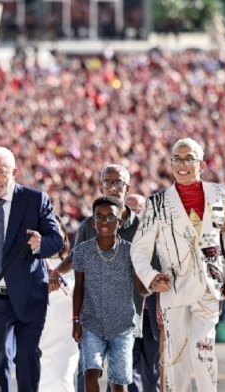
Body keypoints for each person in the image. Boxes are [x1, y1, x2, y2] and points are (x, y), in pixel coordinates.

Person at [130, 138, 225, 392]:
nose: (182, 164)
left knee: (204, 351)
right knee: (176, 359)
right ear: (171, 164)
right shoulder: (156, 203)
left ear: (201, 164)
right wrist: (150, 277)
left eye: (189, 158)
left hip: (210, 286)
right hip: (173, 287)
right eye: (177, 159)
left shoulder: (221, 194)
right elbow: (139, 249)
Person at [53, 165, 159, 392]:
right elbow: (75, 257)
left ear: (127, 187)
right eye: (107, 182)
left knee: (121, 377)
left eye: (118, 183)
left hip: (128, 316)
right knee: (89, 371)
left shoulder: (143, 228)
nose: (112, 187)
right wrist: (56, 272)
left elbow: (153, 267)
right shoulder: (88, 225)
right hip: (91, 316)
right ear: (100, 186)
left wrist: (157, 294)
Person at [0, 146, 62, 392]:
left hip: (30, 295)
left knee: (27, 360)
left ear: (14, 172)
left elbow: (57, 239)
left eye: (1, 171)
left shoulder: (34, 200)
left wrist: (41, 243)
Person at [72, 196, 149, 392]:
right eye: (99, 217)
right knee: (90, 371)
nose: (105, 222)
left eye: (110, 217)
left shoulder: (130, 251)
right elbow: (78, 288)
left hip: (122, 325)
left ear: (120, 222)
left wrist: (151, 285)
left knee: (118, 381)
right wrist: (76, 320)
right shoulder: (82, 251)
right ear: (93, 221)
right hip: (91, 322)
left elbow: (141, 287)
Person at [38, 216, 78, 392]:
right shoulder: (31, 265)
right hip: (37, 336)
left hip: (65, 339)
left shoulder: (74, 264)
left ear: (63, 235)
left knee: (62, 382)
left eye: (56, 230)